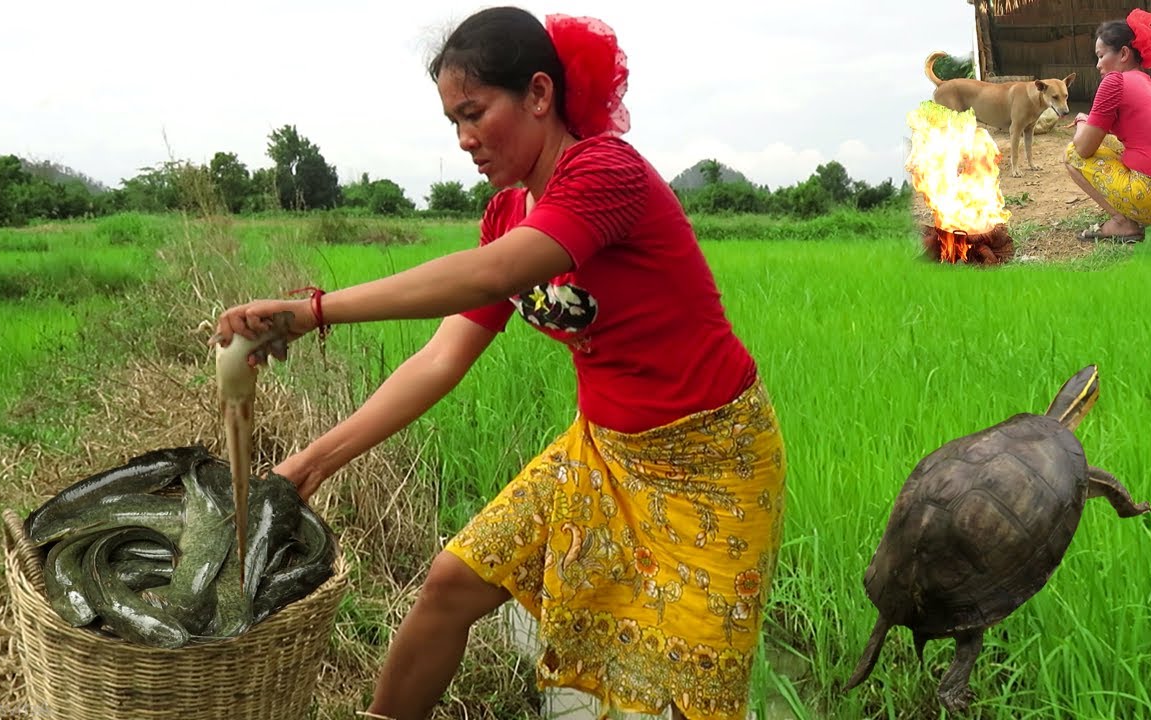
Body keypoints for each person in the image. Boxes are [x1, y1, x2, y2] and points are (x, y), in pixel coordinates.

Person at [215, 7, 787, 720]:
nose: (464, 139)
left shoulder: (605, 173)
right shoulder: (506, 212)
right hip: (603, 454)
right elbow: (441, 359)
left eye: (475, 112)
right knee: (450, 584)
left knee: (689, 692)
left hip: (711, 465)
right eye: (453, 120)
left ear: (539, 96)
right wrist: (313, 464)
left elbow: (489, 276)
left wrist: (315, 311)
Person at [1065, 7, 1151, 244]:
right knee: (1111, 143)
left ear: (1123, 54)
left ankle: (1122, 223)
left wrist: (1081, 119)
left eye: (1101, 56)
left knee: (1072, 153)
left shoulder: (1115, 80)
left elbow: (1083, 149)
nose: (1098, 65)